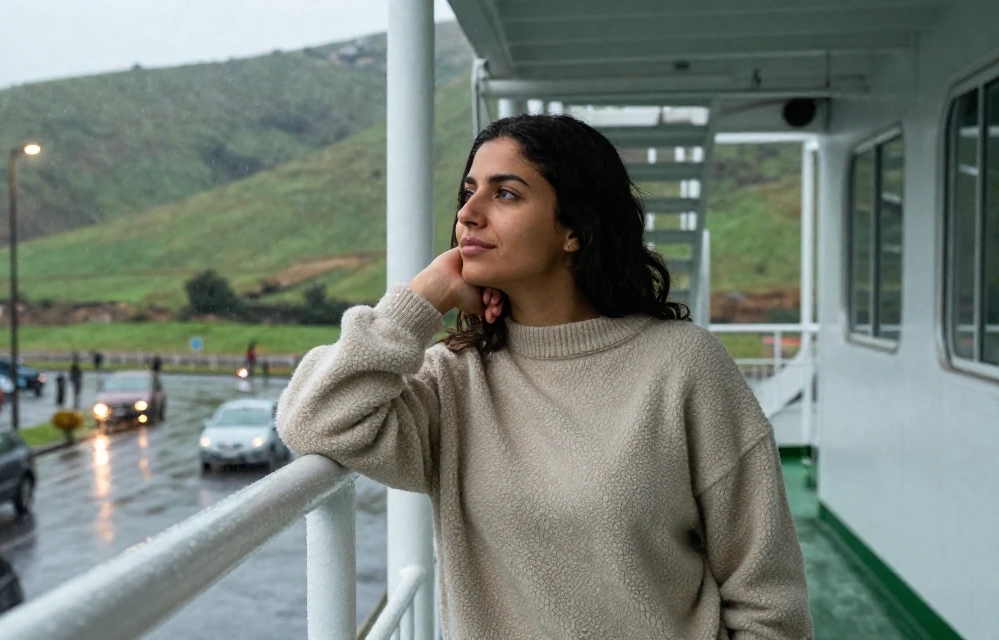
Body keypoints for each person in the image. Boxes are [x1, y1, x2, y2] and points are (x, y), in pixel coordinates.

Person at [277, 114, 812, 639]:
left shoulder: (684, 367)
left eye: (505, 194)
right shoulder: (456, 382)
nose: (469, 213)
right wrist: (423, 299)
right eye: (468, 192)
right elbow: (315, 419)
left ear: (573, 229)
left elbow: (768, 603)